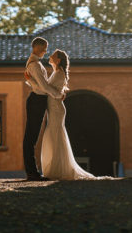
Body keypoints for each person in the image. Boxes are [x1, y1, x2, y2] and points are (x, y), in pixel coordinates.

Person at [38, 49, 96, 180]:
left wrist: (33, 81)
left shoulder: (59, 73)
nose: (50, 56)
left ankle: (58, 169)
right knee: (54, 136)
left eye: (52, 55)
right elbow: (51, 89)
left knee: (56, 136)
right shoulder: (56, 72)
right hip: (53, 108)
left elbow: (49, 90)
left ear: (58, 60)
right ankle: (56, 168)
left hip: (56, 109)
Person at [22, 37, 63, 181]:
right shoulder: (35, 65)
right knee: (31, 137)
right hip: (36, 101)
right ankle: (32, 173)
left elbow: (39, 85)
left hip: (38, 100)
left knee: (32, 136)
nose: (46, 51)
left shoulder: (35, 64)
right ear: (38, 48)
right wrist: (59, 95)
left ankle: (32, 172)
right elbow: (44, 87)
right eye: (45, 48)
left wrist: (30, 81)